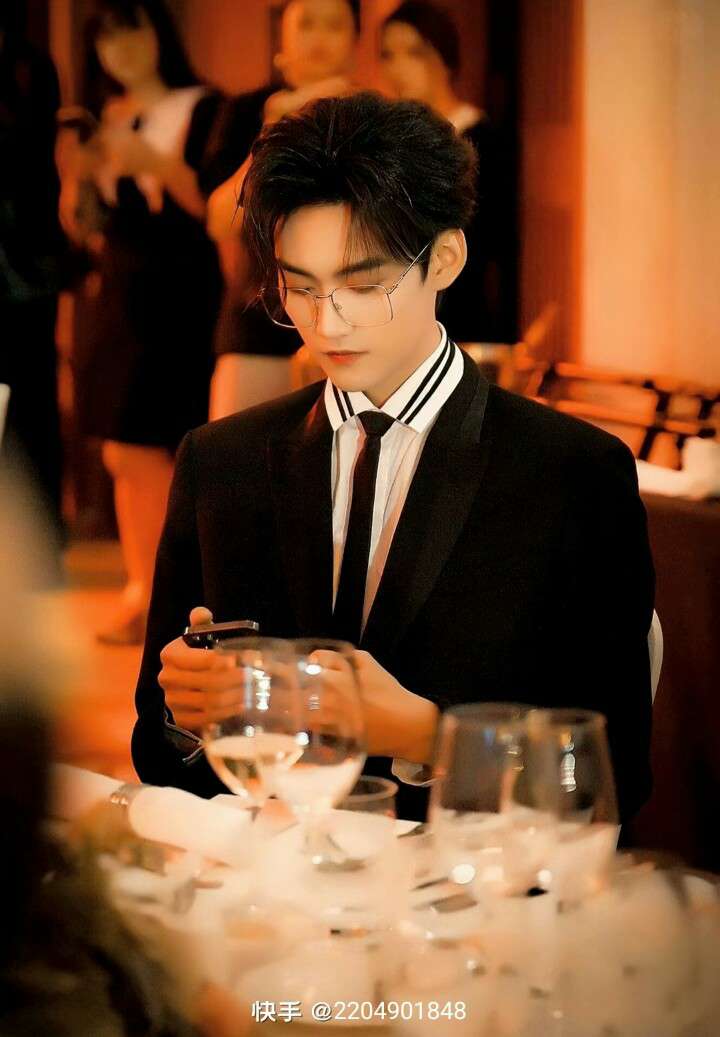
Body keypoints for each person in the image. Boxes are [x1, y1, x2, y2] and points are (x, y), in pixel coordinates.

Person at [132, 92, 654, 823]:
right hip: (275, 876)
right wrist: (188, 719)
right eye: (300, 288)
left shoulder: (571, 475)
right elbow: (156, 753)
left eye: (365, 285)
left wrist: (428, 736)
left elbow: (609, 775)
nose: (328, 323)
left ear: (445, 258)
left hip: (473, 878)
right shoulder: (221, 462)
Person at [60, 0, 230, 644]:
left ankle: (172, 596)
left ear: (158, 33)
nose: (121, 50)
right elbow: (86, 226)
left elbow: (216, 205)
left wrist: (152, 161)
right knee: (120, 448)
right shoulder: (103, 115)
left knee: (166, 444)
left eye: (131, 32)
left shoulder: (203, 107)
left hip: (179, 291)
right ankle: (144, 588)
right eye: (107, 40)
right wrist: (76, 176)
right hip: (119, 292)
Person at [205, 0, 361, 420]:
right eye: (307, 23)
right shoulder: (249, 111)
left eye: (334, 25)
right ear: (283, 38)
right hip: (259, 317)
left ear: (355, 42)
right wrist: (276, 131)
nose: (319, 37)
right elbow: (220, 219)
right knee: (235, 454)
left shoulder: (370, 115)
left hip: (350, 321)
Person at [380, 0, 517, 345]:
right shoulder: (392, 140)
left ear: (443, 56)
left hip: (465, 317)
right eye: (388, 55)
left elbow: (502, 246)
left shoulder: (483, 138)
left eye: (414, 52)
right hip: (399, 317)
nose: (399, 67)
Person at [0, 7, 65, 541]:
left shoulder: (29, 68)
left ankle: (36, 537)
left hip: (23, 274)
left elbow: (38, 167)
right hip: (25, 267)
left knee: (29, 407)